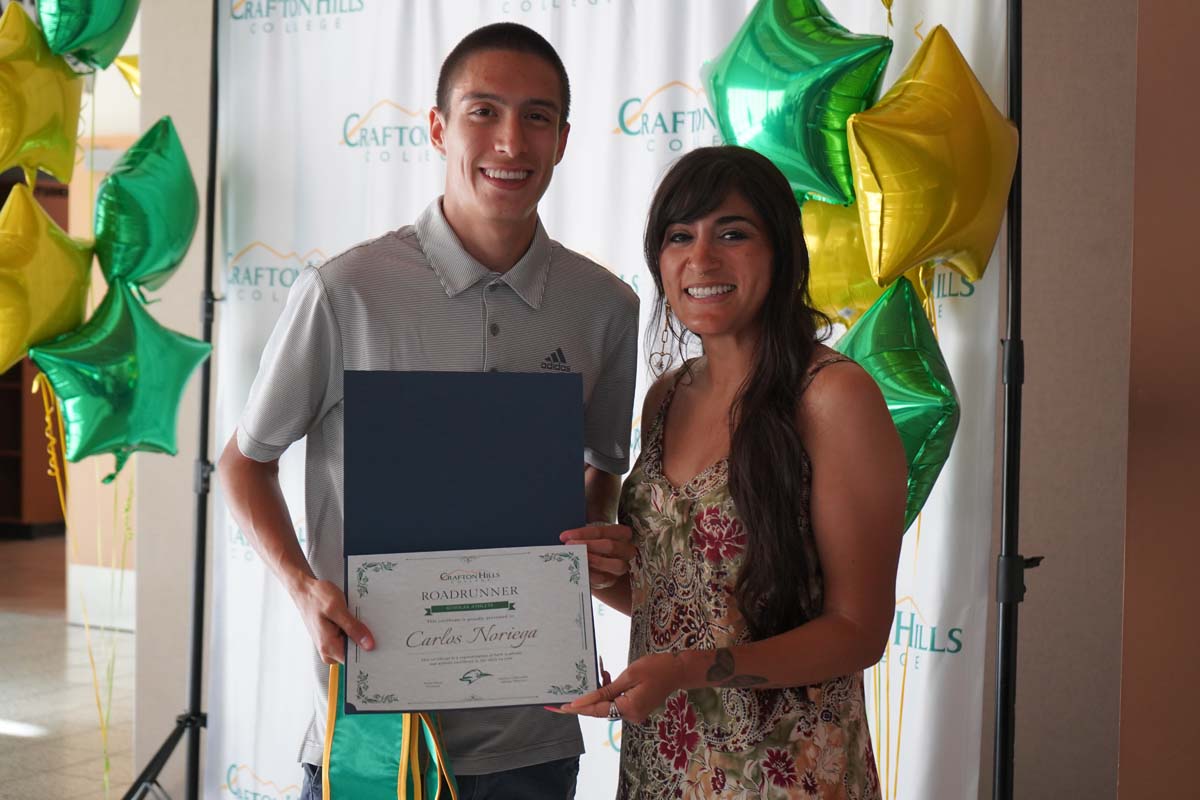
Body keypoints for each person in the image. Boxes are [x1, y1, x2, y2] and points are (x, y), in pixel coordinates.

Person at [217, 23, 639, 800]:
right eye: (484, 111)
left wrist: (576, 574)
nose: (511, 141)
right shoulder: (346, 291)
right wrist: (303, 585)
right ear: (440, 127)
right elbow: (244, 463)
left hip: (532, 731)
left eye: (538, 117)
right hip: (377, 730)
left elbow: (600, 475)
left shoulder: (605, 307)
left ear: (564, 138)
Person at [558, 146, 907, 799]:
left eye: (733, 233)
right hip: (663, 763)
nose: (702, 259)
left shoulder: (833, 397)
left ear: (782, 254)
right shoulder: (664, 396)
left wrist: (690, 668)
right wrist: (601, 580)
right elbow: (697, 605)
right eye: (679, 237)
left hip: (786, 774)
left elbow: (857, 631)